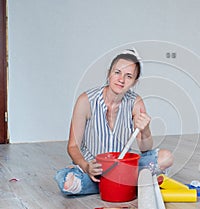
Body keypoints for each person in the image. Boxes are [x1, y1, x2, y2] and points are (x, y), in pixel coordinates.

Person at [55, 49, 174, 195]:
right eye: (117, 72)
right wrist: (86, 167)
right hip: (94, 168)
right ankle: (129, 183)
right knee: (66, 183)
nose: (121, 79)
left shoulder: (135, 102)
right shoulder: (86, 101)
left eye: (128, 76)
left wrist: (145, 129)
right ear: (109, 73)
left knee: (166, 157)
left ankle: (117, 182)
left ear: (134, 81)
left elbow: (145, 148)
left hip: (123, 167)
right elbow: (73, 146)